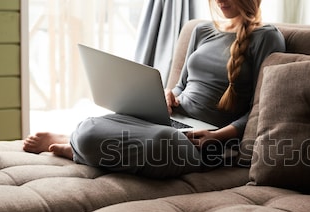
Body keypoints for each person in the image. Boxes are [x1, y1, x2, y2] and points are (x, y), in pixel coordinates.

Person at [23, 0, 286, 179]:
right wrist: (168, 96)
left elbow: (261, 108)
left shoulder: (267, 38)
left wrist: (219, 136)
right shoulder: (202, 30)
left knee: (162, 143)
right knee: (92, 124)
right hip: (169, 120)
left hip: (205, 141)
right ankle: (81, 140)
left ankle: (79, 146)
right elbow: (181, 85)